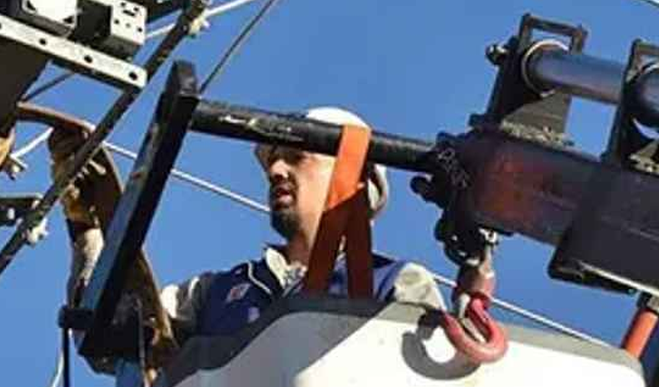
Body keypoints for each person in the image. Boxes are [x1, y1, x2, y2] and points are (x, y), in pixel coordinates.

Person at [65, 106, 442, 351]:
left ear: (354, 179)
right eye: (273, 162)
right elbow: (109, 338)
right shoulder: (211, 294)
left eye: (297, 158)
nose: (276, 171)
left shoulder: (397, 283)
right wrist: (88, 227)